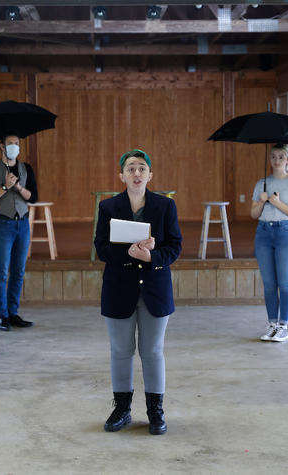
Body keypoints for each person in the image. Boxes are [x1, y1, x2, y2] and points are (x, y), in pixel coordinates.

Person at [94, 149, 182, 435]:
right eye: (130, 168)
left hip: (155, 289)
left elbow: (175, 247)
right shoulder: (108, 207)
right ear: (122, 176)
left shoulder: (165, 207)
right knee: (120, 351)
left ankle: (155, 411)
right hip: (119, 287)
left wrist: (151, 257)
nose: (136, 173)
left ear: (150, 175)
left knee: (153, 351)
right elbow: (102, 248)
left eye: (142, 168)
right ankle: (122, 409)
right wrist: (131, 256)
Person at [0, 134, 38, 331]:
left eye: (17, 144)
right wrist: (5, 186)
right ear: (1, 146)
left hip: (22, 223)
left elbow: (33, 197)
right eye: (10, 144)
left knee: (19, 271)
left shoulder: (26, 168)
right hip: (2, 224)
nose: (14, 147)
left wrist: (19, 187)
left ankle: (13, 312)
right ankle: (2, 315)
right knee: (2, 272)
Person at [250, 143, 288, 343]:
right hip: (264, 232)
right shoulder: (261, 183)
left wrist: (277, 203)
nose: (276, 160)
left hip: (285, 232)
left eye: (281, 156)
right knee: (269, 283)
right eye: (273, 156)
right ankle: (272, 323)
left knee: (284, 282)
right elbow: (254, 214)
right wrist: (261, 202)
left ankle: (283, 326)